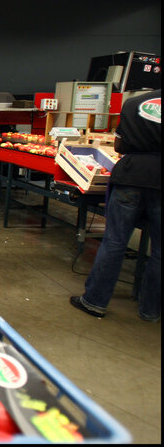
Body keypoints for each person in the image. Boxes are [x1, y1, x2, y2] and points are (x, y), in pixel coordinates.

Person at [70, 89, 161, 322]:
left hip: (130, 176)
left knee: (114, 242)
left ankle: (95, 301)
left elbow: (119, 145)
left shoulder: (134, 103)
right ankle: (150, 310)